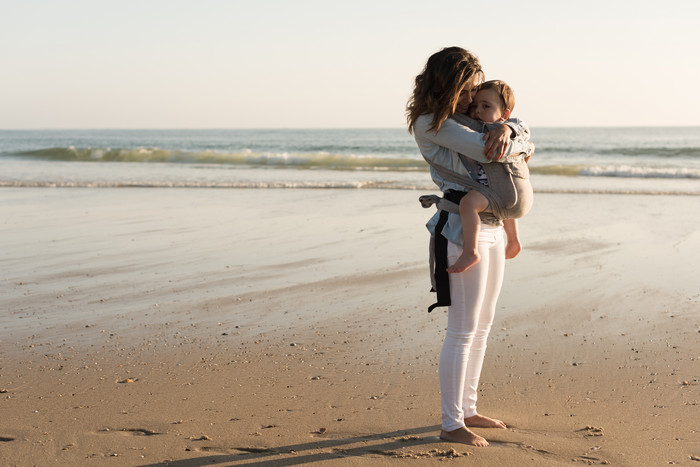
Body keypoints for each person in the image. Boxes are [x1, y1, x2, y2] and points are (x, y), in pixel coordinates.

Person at [406, 47, 534, 447]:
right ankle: (450, 423)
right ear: (446, 84)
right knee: (461, 330)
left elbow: (516, 141)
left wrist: (512, 130)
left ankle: (468, 408)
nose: (470, 98)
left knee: (483, 326)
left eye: (475, 91)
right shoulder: (432, 121)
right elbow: (487, 151)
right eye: (465, 89)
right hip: (461, 231)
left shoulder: (465, 118)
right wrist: (512, 136)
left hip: (492, 223)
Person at [447, 80, 532, 273]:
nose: (477, 110)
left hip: (492, 191)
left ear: (504, 115)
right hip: (511, 192)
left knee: (468, 204)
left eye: (486, 106)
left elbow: (519, 125)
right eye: (475, 105)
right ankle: (514, 240)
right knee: (503, 204)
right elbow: (522, 127)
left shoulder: (491, 130)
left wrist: (506, 128)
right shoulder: (508, 130)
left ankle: (470, 251)